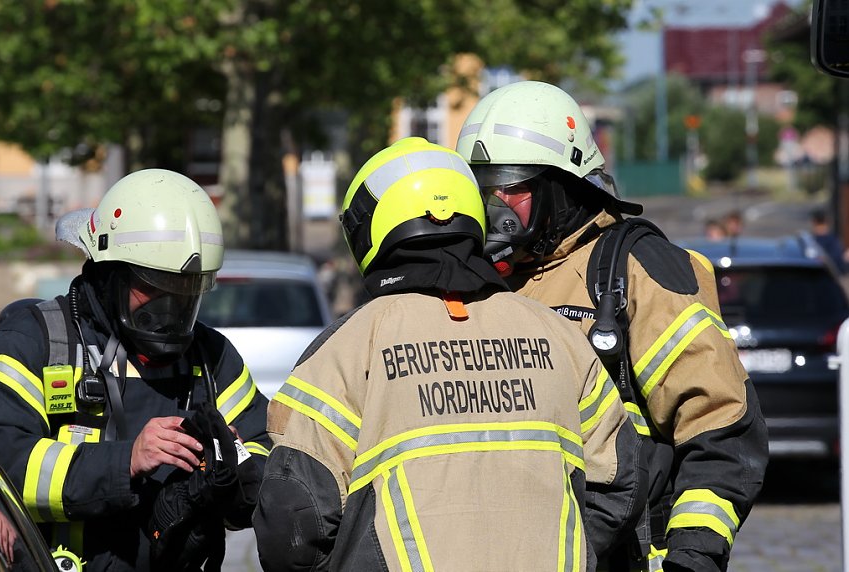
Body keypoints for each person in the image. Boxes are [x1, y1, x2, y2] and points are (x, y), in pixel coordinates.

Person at [253, 137, 648, 571]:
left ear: (370, 229)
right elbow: (619, 482)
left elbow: (293, 522)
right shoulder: (559, 335)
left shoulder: (349, 347)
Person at [456, 81, 768, 572]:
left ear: (561, 186)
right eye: (482, 188)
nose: (494, 204)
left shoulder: (636, 272)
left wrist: (693, 554)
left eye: (511, 186)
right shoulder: (475, 281)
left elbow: (720, 426)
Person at [0, 169, 271, 570]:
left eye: (186, 291)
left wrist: (233, 472)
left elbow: (266, 454)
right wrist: (124, 461)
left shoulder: (211, 358)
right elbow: (3, 465)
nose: (170, 310)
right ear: (109, 273)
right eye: (154, 285)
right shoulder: (35, 343)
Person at [810, 208, 846, 273]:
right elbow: (840, 263)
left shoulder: (810, 241)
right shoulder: (833, 240)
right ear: (827, 221)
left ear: (814, 222)